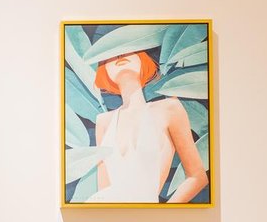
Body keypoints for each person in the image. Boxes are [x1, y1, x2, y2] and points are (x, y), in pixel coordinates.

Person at [85, 50, 208, 203]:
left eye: (128, 50)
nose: (119, 56)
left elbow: (197, 177)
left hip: (146, 210)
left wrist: (163, 213)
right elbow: (103, 190)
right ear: (103, 70)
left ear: (143, 58)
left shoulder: (170, 108)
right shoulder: (103, 121)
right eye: (110, 55)